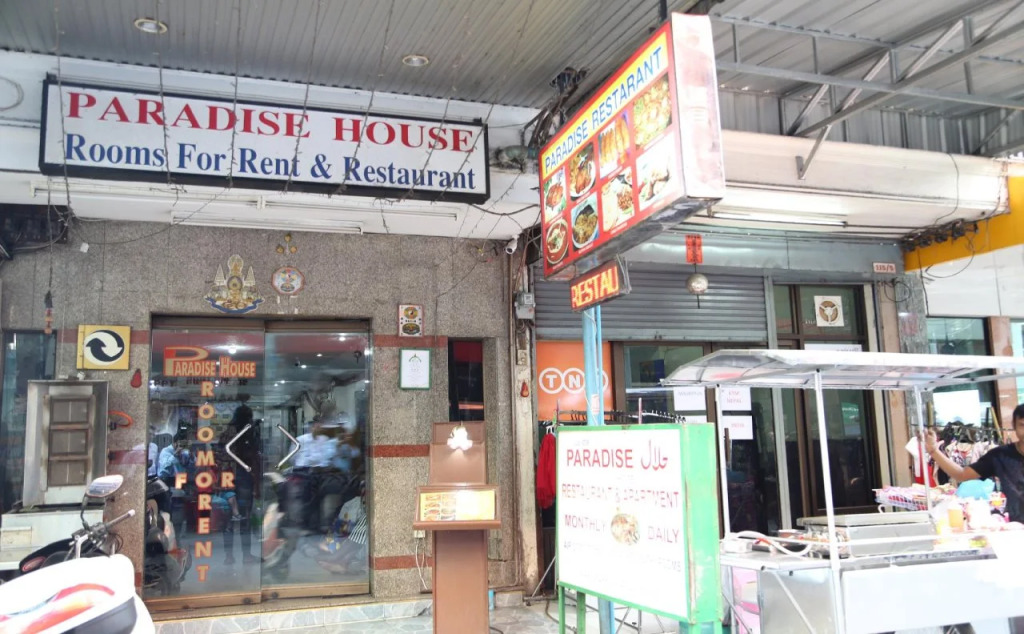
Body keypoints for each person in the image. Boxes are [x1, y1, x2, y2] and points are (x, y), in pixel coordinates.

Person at [925, 403, 1024, 523]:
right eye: (1022, 425)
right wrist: (934, 451)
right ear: (1014, 425)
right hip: (1018, 528)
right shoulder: (1000, 456)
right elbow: (962, 475)